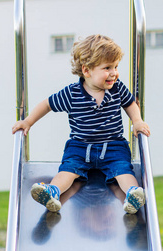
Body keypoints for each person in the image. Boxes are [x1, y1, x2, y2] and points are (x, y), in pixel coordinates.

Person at [12, 34, 150, 215]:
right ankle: (52, 192)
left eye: (116, 66)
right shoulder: (72, 93)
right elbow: (47, 105)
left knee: (122, 169)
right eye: (107, 68)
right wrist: (28, 121)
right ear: (87, 71)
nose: (114, 73)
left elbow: (130, 104)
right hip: (80, 146)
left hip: (112, 145)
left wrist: (137, 121)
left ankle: (133, 194)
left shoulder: (117, 88)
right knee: (69, 169)